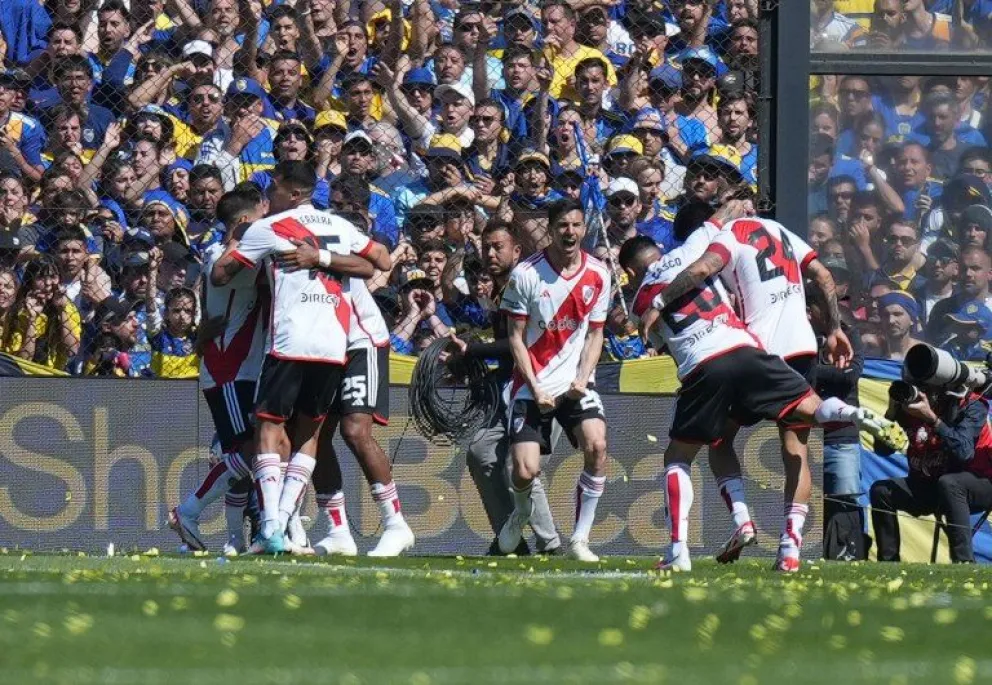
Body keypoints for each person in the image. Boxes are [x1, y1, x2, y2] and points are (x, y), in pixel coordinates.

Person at [623, 216, 905, 574]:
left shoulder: (725, 237)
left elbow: (699, 274)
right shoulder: (781, 231)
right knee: (797, 442)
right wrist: (833, 328)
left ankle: (732, 524)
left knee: (714, 444)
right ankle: (791, 547)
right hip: (798, 343)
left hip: (756, 344)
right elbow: (823, 276)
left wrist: (658, 303)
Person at [210, 160, 379, 554]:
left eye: (275, 189)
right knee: (308, 434)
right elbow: (376, 263)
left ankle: (270, 526)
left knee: (268, 430)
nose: (269, 197)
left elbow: (221, 275)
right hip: (332, 347)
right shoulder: (338, 225)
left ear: (295, 193)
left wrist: (238, 243)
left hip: (289, 342)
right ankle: (286, 522)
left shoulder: (269, 227)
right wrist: (324, 259)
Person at [497, 199, 611, 562]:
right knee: (525, 470)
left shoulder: (598, 274)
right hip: (532, 385)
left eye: (577, 225)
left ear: (584, 229)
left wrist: (582, 379)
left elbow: (596, 335)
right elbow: (515, 337)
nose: (570, 233)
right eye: (563, 225)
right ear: (551, 228)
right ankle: (521, 511)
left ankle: (580, 539)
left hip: (575, 384)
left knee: (597, 446)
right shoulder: (526, 274)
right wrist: (534, 386)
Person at [448, 224, 562, 555]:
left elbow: (521, 345)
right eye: (486, 247)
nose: (490, 254)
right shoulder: (499, 292)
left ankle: (550, 544)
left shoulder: (528, 285)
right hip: (513, 388)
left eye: (498, 247)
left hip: (544, 388)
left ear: (517, 252)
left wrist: (471, 351)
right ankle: (509, 541)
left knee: (519, 464)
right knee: (481, 453)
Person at [169, 186, 267, 555]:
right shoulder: (230, 261)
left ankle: (241, 537)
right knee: (253, 451)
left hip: (240, 368)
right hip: (231, 369)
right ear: (244, 222)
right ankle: (189, 510)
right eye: (262, 216)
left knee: (243, 457)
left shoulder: (220, 254)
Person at [871, 371, 992, 563]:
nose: (921, 393)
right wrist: (891, 413)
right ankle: (888, 563)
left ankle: (964, 563)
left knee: (950, 483)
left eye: (926, 388)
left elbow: (964, 452)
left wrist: (932, 418)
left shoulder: (971, 405)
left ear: (940, 389)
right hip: (930, 486)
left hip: (978, 483)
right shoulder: (910, 409)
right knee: (881, 490)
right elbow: (882, 450)